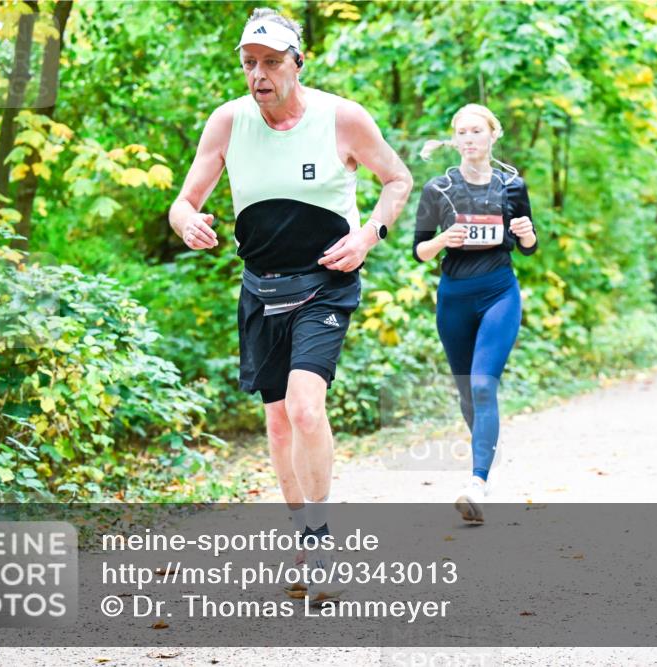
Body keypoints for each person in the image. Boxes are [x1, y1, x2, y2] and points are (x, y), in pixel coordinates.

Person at [167, 8, 412, 601]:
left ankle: (322, 536)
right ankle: (302, 531)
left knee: (305, 409)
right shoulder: (227, 123)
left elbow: (397, 180)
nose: (260, 75)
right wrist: (186, 222)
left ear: (298, 63)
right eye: (250, 63)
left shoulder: (342, 119)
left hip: (325, 283)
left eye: (272, 62)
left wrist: (368, 236)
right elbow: (184, 200)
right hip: (261, 287)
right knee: (277, 422)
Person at [413, 104, 538, 524]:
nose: (469, 139)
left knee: (484, 386)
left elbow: (528, 245)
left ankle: (477, 481)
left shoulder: (511, 185)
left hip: (499, 292)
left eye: (476, 131)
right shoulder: (439, 189)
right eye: (462, 132)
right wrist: (443, 239)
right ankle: (483, 459)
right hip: (454, 298)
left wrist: (527, 234)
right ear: (455, 139)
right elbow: (419, 250)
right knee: (468, 393)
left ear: (492, 136)